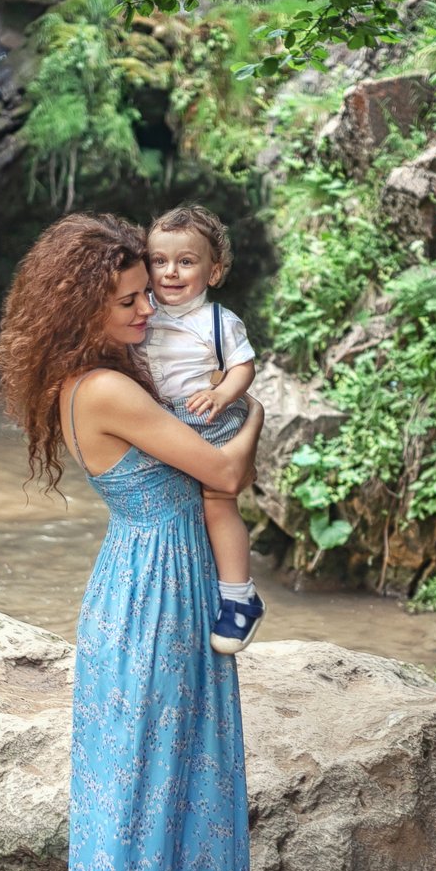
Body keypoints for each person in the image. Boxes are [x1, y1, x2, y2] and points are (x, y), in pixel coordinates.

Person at [0, 212, 264, 871]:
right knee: (129, 802)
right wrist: (254, 412)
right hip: (150, 602)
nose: (149, 309)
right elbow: (225, 475)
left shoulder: (108, 373)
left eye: (150, 292)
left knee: (132, 788)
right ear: (81, 311)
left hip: (154, 584)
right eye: (128, 301)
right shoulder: (106, 389)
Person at [143, 205, 267, 653]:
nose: (171, 272)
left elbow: (243, 367)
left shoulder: (218, 321)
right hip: (158, 418)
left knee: (217, 499)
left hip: (206, 417)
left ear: (213, 271)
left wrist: (223, 395)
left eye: (186, 261)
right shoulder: (142, 311)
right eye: (159, 261)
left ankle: (239, 597)